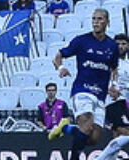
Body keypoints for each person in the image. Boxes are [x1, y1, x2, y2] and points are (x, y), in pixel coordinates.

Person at [50, 8, 118, 157]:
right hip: (82, 90)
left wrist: (114, 85)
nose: (96, 22)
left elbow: (114, 69)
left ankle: (66, 127)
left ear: (107, 22)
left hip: (100, 96)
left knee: (93, 139)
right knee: (86, 127)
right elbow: (58, 55)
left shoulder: (112, 46)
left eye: (100, 19)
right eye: (94, 19)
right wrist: (61, 68)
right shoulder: (81, 41)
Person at [95, 84, 129, 160]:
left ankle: (111, 158)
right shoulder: (108, 79)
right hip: (113, 106)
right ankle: (101, 158)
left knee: (118, 135)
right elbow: (112, 89)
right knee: (124, 131)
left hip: (120, 104)